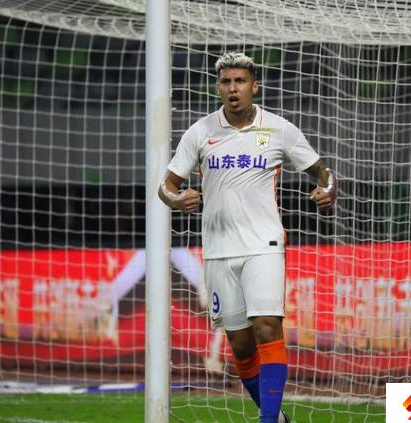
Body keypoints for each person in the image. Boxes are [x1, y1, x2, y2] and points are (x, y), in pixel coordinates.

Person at [158, 51, 337, 423]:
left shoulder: (279, 129)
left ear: (255, 86)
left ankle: (267, 420)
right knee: (240, 346)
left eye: (240, 81)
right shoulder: (200, 132)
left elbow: (323, 172)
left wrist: (328, 191)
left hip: (264, 246)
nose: (232, 88)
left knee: (268, 326)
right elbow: (166, 186)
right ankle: (277, 416)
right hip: (218, 251)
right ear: (218, 87)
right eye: (226, 81)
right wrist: (176, 199)